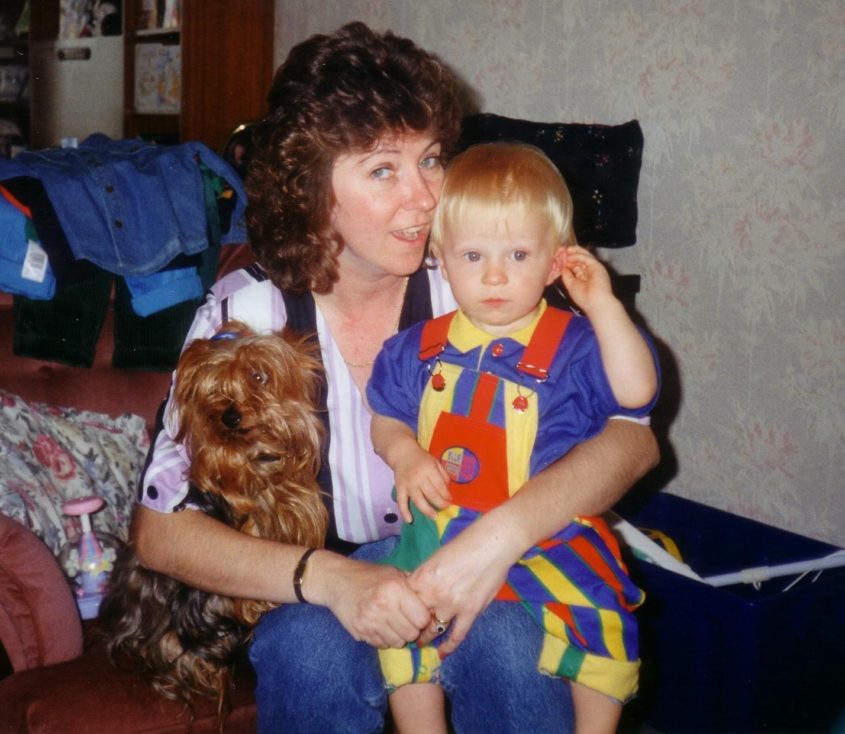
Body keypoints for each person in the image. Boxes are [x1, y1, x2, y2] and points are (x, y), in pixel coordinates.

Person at [130, 22, 659, 733]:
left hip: (496, 544)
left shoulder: (483, 276)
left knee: (512, 649)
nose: (425, 198)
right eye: (383, 170)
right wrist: (327, 577)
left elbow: (633, 436)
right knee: (305, 653)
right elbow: (161, 532)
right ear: (313, 188)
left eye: (432, 159)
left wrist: (498, 538)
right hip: (331, 572)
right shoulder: (246, 313)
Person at [368, 142, 659, 734]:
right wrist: (403, 453)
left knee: (601, 621)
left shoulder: (577, 345)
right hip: (440, 531)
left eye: (519, 254)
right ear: (441, 261)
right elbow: (386, 417)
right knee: (403, 621)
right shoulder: (416, 348)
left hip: (548, 536)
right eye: (473, 255)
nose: (494, 275)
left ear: (556, 263)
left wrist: (601, 305)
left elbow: (636, 397)